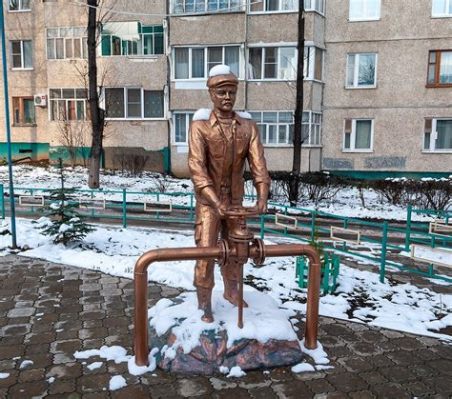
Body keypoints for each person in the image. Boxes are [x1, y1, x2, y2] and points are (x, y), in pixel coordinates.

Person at [188, 65, 271, 322]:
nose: (227, 97)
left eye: (231, 93)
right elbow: (196, 167)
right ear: (212, 94)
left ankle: (232, 292)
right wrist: (214, 201)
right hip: (209, 204)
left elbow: (259, 164)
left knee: (237, 249)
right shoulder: (200, 126)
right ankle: (204, 303)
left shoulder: (247, 127)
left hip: (235, 202)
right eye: (221, 92)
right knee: (206, 252)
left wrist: (262, 197)